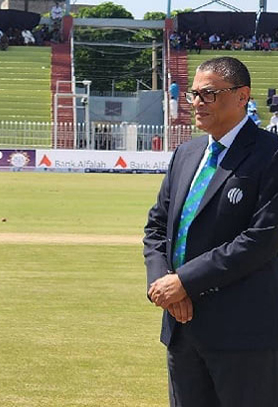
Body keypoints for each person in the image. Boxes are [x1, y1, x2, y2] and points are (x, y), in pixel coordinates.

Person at [144, 56, 278, 406]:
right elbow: (157, 227)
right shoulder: (186, 154)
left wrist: (185, 281)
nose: (198, 103)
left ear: (242, 96)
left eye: (209, 94)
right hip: (181, 327)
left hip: (243, 334)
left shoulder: (271, 154)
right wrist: (164, 285)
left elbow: (262, 238)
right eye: (194, 95)